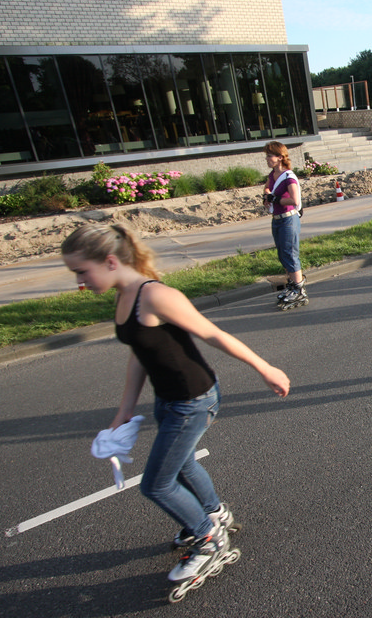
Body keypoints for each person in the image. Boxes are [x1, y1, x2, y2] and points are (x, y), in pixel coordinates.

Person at [61, 224, 290, 585]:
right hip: (168, 400)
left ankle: (208, 539)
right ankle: (214, 514)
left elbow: (213, 333)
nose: (79, 282)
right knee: (182, 464)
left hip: (193, 401)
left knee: (156, 484)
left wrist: (265, 368)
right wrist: (124, 410)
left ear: (109, 262)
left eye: (81, 272)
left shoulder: (155, 295)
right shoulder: (124, 295)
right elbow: (140, 353)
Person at [262, 141, 308, 308]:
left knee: (290, 254)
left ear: (280, 157)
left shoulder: (288, 177)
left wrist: (276, 199)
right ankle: (292, 285)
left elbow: (295, 200)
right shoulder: (272, 175)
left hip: (288, 219)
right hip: (277, 219)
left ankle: (299, 290)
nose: (267, 159)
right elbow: (267, 188)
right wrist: (267, 196)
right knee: (282, 255)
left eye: (270, 156)